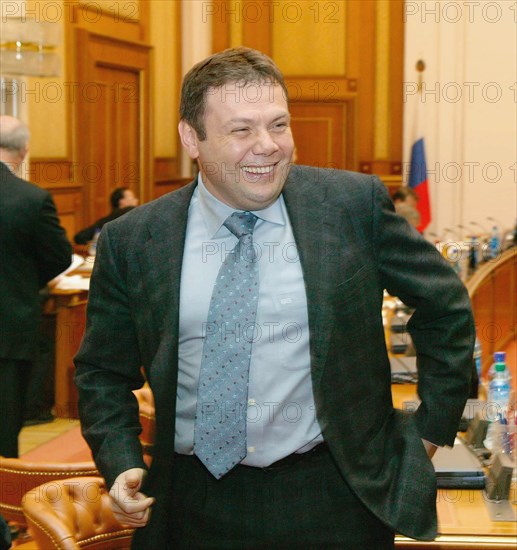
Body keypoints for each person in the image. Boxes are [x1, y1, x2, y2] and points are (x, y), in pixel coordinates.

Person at [75, 48, 474, 548]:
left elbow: (445, 305)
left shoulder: (352, 206)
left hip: (336, 496)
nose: (267, 146)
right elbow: (102, 373)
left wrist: (429, 433)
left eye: (279, 125)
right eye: (241, 130)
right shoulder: (134, 239)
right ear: (190, 138)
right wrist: (121, 463)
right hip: (189, 503)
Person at [0, 115, 72, 458]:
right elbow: (59, 257)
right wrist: (26, 282)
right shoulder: (31, 199)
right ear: (24, 151)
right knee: (4, 425)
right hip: (10, 329)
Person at [73, 187, 139, 244]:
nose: (136, 200)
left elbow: (79, 237)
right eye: (133, 197)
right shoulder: (134, 215)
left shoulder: (104, 221)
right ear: (121, 201)